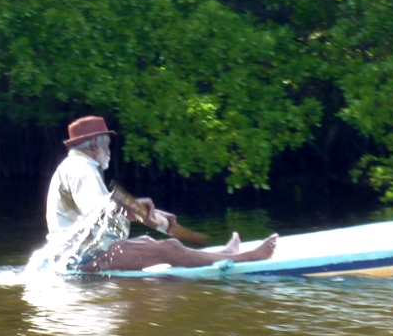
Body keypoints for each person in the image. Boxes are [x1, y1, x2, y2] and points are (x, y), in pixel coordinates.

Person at [46, 116, 277, 271]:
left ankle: (226, 254)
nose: (109, 151)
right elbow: (98, 212)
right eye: (106, 145)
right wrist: (137, 206)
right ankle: (248, 257)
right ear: (93, 146)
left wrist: (145, 214)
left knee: (151, 242)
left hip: (82, 255)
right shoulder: (81, 171)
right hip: (82, 260)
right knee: (170, 248)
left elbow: (98, 216)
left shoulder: (77, 167)